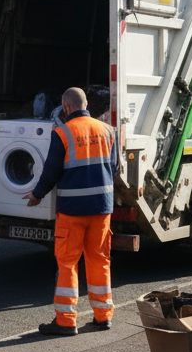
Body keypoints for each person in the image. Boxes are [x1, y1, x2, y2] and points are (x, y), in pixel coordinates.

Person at [25, 87, 120, 336]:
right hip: (101, 209)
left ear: (66, 107)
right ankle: (103, 317)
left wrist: (37, 194)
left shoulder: (63, 133)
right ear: (85, 104)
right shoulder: (108, 130)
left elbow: (51, 171)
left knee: (67, 262)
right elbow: (114, 169)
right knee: (99, 260)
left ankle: (66, 321)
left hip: (72, 211)